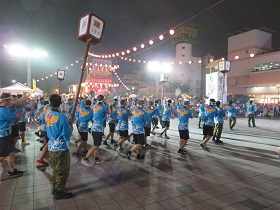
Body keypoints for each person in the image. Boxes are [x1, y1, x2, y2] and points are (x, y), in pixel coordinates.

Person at [46, 94, 73, 199]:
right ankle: (59, 191)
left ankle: (55, 187)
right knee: (62, 170)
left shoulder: (48, 115)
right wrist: (69, 126)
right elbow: (67, 134)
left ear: (50, 103)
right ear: (60, 103)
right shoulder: (61, 117)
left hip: (51, 146)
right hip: (61, 148)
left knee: (55, 169)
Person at [0, 92, 26, 176]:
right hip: (3, 136)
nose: (12, 100)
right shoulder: (3, 111)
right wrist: (21, 114)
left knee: (10, 153)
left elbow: (15, 103)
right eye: (10, 99)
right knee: (3, 155)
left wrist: (23, 98)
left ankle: (12, 170)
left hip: (7, 134)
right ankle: (11, 170)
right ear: (6, 100)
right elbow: (15, 119)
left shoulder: (5, 107)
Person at [81, 95, 110, 167]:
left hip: (93, 127)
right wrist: (109, 105)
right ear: (103, 100)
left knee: (97, 144)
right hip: (98, 128)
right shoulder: (104, 107)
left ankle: (96, 157)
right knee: (96, 145)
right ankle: (86, 158)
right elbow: (110, 112)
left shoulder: (94, 106)